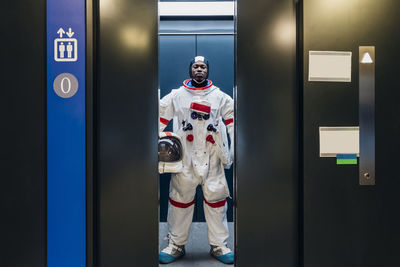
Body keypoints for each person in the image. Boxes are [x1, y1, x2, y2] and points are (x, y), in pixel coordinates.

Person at [158, 56, 234, 264]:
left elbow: (234, 123)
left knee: (217, 202)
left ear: (207, 71)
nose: (199, 70)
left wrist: (234, 151)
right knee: (179, 201)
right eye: (195, 67)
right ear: (190, 70)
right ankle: (176, 244)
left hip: (212, 157)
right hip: (185, 158)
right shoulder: (177, 96)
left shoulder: (220, 97)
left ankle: (219, 245)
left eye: (202, 67)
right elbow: (157, 118)